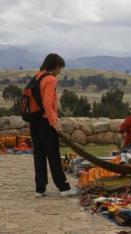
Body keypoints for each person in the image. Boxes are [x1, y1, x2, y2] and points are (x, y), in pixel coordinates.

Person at [30, 53, 78, 197]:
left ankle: (40, 188)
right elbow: (47, 103)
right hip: (45, 121)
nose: (59, 72)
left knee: (38, 155)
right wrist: (54, 123)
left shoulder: (38, 76)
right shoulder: (50, 79)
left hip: (34, 120)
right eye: (60, 69)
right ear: (56, 66)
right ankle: (63, 188)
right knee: (53, 156)